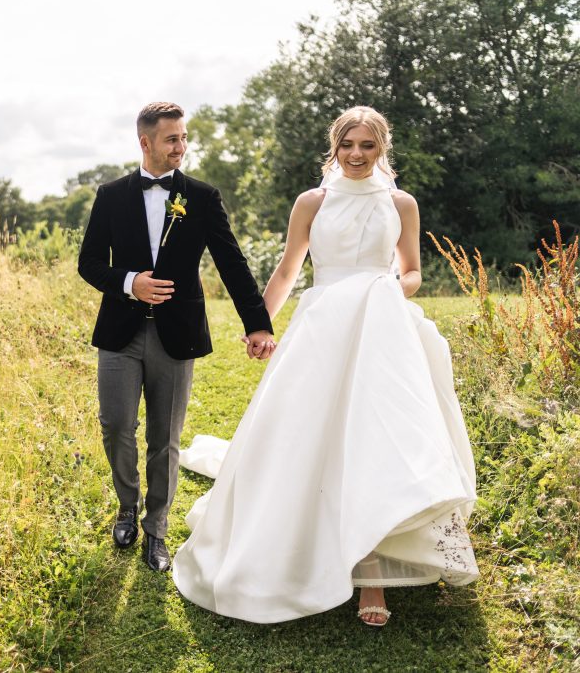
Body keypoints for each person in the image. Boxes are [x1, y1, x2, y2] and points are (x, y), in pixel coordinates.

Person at [171, 105, 479, 626]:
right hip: (322, 328)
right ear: (334, 148)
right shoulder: (312, 202)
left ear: (383, 148)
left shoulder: (401, 203)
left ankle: (373, 570)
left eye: (368, 146)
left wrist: (385, 289)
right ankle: (299, 546)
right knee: (308, 438)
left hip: (379, 331)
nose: (357, 155)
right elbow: (290, 268)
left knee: (376, 441)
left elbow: (412, 273)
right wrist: (259, 323)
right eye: (348, 145)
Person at [77, 102, 275, 572]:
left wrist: (258, 322)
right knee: (116, 425)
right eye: (171, 140)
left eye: (184, 138)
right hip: (120, 334)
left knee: (165, 437)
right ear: (145, 143)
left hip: (176, 333)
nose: (181, 147)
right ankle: (128, 505)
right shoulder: (111, 195)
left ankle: (157, 528)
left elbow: (232, 262)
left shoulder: (202, 197)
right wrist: (130, 283)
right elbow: (89, 264)